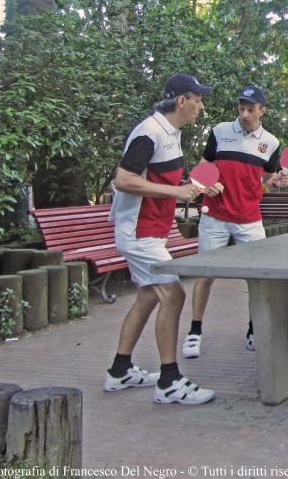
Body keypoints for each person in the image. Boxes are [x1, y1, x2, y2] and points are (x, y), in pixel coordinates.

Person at [104, 73, 215, 405]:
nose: (201, 105)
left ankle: (119, 371)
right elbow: (123, 179)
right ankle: (169, 381)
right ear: (182, 101)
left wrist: (191, 186)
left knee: (148, 298)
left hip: (150, 232)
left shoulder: (170, 133)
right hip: (138, 234)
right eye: (198, 98)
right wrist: (175, 190)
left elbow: (161, 177)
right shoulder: (149, 132)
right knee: (174, 295)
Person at [182, 84, 288, 359]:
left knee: (257, 278)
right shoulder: (219, 131)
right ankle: (194, 331)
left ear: (261, 111)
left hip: (249, 220)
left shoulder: (272, 142)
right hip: (214, 217)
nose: (244, 114)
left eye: (250, 109)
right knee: (205, 275)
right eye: (241, 108)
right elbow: (201, 169)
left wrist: (277, 180)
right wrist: (208, 183)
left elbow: (267, 178)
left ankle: (255, 329)